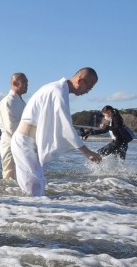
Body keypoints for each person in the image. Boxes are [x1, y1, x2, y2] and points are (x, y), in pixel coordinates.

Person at [10, 68, 102, 196]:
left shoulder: (57, 88)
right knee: (34, 188)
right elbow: (65, 125)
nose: (87, 92)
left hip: (28, 142)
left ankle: (34, 214)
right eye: (89, 88)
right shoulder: (57, 91)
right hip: (24, 142)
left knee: (35, 187)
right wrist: (86, 151)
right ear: (80, 81)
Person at [0, 73, 28, 180]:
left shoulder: (22, 102)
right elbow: (11, 127)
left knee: (22, 175)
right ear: (15, 83)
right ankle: (6, 196)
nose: (27, 84)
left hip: (21, 143)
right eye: (24, 82)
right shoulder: (8, 101)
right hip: (10, 143)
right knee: (9, 175)